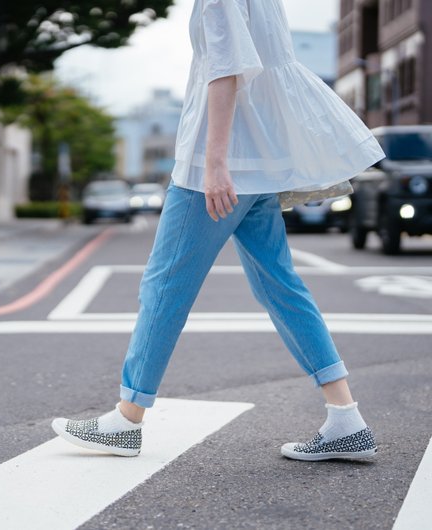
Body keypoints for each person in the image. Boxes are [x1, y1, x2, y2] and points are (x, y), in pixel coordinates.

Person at [52, 0, 385, 461]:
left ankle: (126, 419)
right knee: (280, 286)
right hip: (258, 164)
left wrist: (215, 165)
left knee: (165, 285)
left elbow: (226, 72)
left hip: (219, 169)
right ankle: (346, 417)